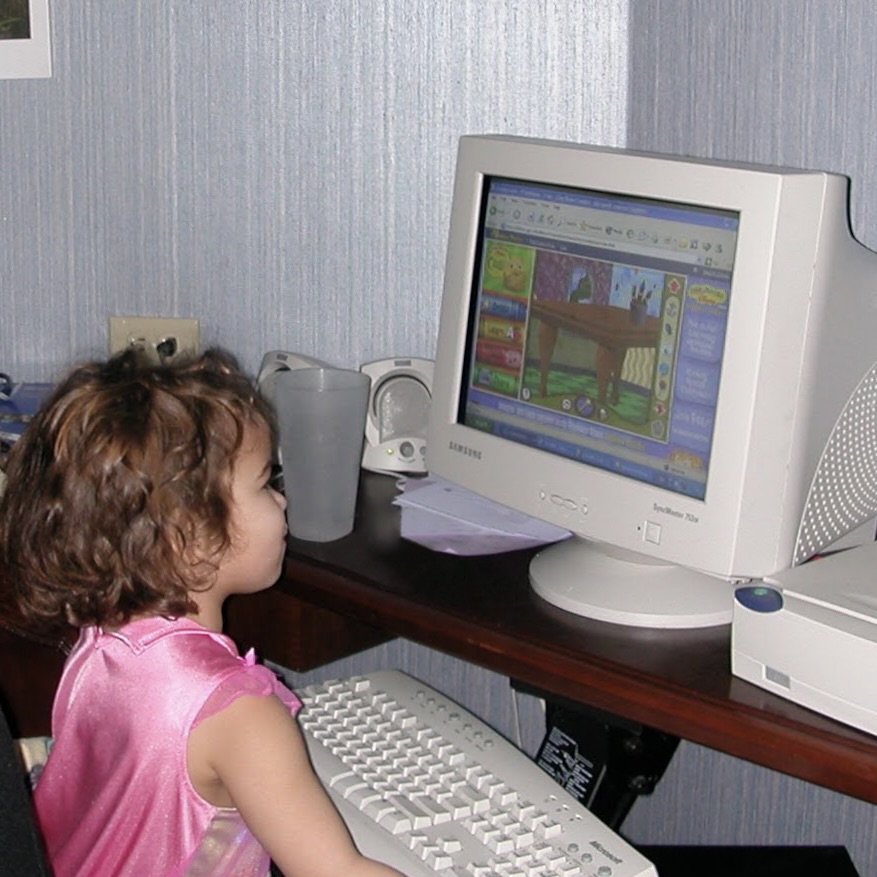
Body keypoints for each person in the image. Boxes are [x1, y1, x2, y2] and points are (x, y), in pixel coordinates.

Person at [0, 348, 405, 877]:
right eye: (265, 483)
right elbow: (335, 871)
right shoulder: (241, 716)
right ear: (192, 539)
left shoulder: (100, 641)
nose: (282, 502)